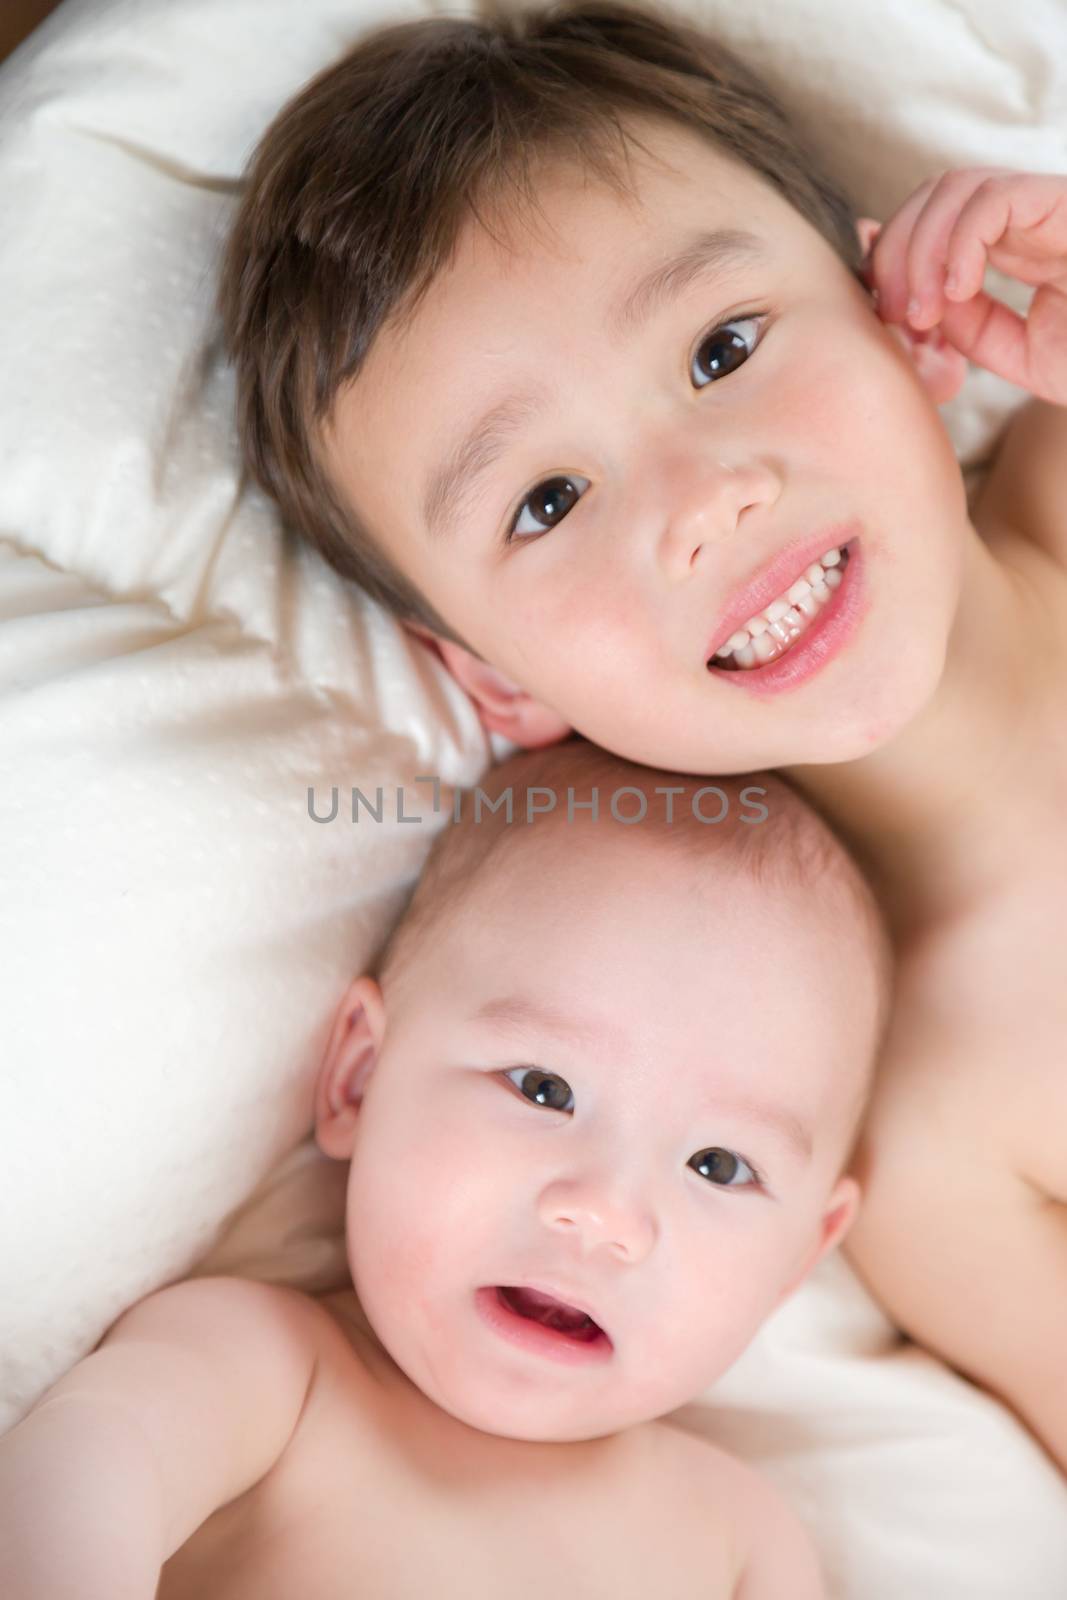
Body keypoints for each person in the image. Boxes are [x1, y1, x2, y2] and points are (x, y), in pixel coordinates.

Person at [217, 0, 1067, 1471]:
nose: (697, 498)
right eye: (545, 501)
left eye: (722, 346)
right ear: (496, 680)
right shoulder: (930, 1160)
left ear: (890, 308)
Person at [0, 742, 889, 1599]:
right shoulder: (270, 1371)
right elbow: (89, 1464)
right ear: (358, 1078)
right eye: (545, 1089)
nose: (603, 1213)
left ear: (800, 1259)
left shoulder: (740, 1540)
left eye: (718, 1164)